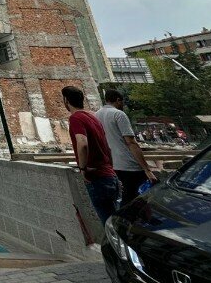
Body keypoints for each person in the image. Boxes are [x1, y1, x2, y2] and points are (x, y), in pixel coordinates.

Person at [62, 85, 118, 224]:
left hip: (97, 178)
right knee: (117, 222)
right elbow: (108, 147)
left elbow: (82, 143)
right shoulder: (93, 118)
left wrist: (82, 169)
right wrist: (111, 168)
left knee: (109, 225)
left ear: (66, 101)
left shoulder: (76, 118)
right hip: (110, 176)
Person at [96, 90, 157, 205]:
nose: (123, 105)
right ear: (118, 100)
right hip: (129, 166)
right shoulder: (118, 114)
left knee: (124, 200)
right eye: (122, 102)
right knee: (139, 201)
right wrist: (147, 169)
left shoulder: (96, 115)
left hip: (112, 165)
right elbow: (131, 142)